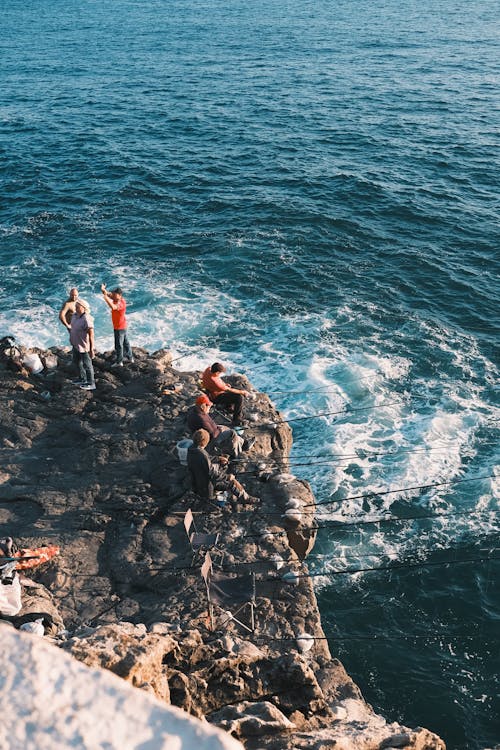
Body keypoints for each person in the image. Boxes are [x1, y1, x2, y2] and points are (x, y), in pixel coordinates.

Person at [187, 429, 250, 502]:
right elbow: (212, 474)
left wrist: (219, 458)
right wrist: (228, 477)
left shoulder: (192, 450)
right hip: (207, 486)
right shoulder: (202, 455)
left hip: (196, 483)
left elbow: (207, 459)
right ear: (205, 442)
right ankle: (246, 499)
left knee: (221, 465)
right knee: (232, 484)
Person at [186, 395, 255, 457]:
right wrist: (219, 429)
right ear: (203, 406)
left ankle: (244, 443)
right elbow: (213, 435)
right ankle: (236, 453)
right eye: (208, 406)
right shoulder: (202, 419)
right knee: (232, 433)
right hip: (210, 440)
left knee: (226, 429)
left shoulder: (196, 411)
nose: (209, 408)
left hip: (205, 433)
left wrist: (218, 427)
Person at [100, 284, 134, 366]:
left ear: (119, 295)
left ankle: (119, 362)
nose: (113, 296)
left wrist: (105, 298)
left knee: (119, 345)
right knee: (126, 343)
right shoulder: (116, 298)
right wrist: (103, 289)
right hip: (122, 325)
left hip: (119, 327)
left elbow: (113, 307)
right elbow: (108, 294)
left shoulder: (121, 303)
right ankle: (130, 358)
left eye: (115, 295)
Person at [69, 298, 96, 390]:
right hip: (76, 344)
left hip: (84, 346)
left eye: (78, 307)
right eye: (75, 306)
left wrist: (92, 349)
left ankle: (91, 383)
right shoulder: (74, 315)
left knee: (87, 365)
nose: (76, 308)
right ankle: (82, 378)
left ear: (84, 308)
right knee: (76, 362)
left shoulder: (87, 319)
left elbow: (91, 335)